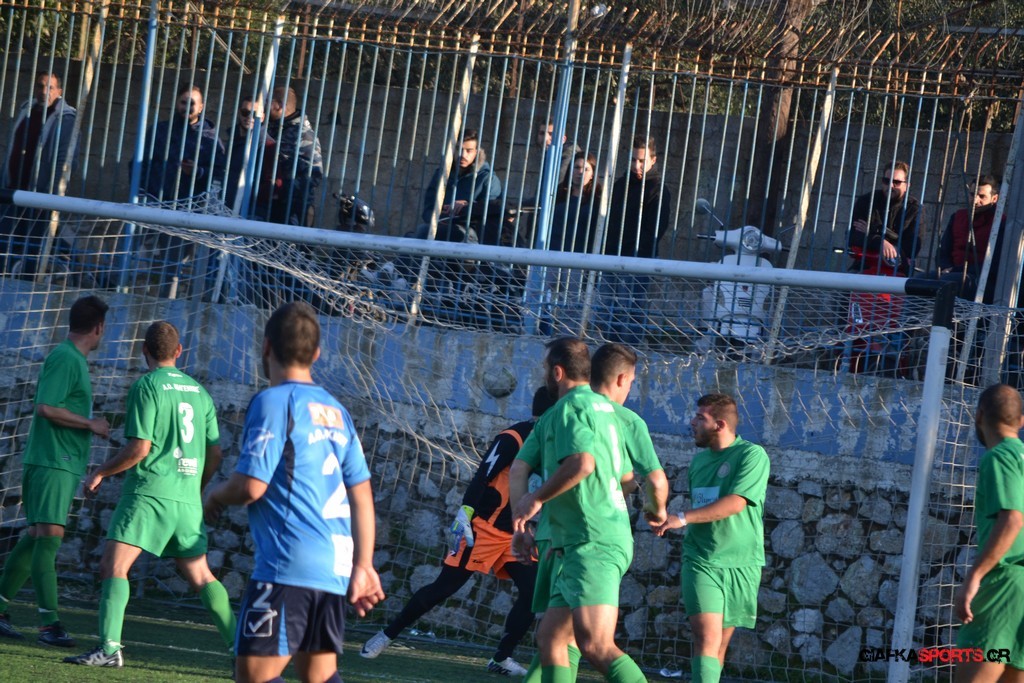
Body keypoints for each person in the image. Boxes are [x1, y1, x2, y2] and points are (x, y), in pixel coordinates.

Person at [203, 302, 384, 683]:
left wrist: (215, 495)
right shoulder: (337, 411)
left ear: (266, 346)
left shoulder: (273, 401)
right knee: (319, 676)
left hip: (289, 564)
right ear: (316, 354)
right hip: (334, 567)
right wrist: (364, 564)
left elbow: (250, 486)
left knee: (253, 677)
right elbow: (362, 495)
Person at [63, 321, 236, 668]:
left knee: (113, 567)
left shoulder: (147, 385)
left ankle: (110, 648)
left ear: (144, 350)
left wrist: (100, 472)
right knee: (202, 576)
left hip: (149, 494)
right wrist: (196, 489)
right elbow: (215, 453)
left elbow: (140, 448)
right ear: (179, 352)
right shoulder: (199, 392)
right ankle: (241, 650)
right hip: (186, 499)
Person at [359, 386, 556, 676]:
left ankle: (501, 658)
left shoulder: (552, 442)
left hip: (514, 532)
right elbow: (483, 475)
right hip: (483, 528)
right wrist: (466, 511)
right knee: (444, 588)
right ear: (551, 411)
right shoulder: (513, 437)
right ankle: (386, 635)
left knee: (533, 590)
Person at [511, 341, 667, 682]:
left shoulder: (570, 408)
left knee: (595, 644)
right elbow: (626, 478)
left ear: (557, 372)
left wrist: (535, 500)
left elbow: (582, 463)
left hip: (591, 540)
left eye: (544, 369)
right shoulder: (613, 414)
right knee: (552, 639)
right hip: (578, 538)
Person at [0, 295, 110, 647]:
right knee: (48, 537)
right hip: (52, 461)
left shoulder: (71, 358)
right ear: (98, 328)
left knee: (37, 536)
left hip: (57, 461)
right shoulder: (65, 358)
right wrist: (90, 424)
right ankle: (50, 624)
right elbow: (46, 407)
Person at [654, 393, 770, 683]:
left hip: (742, 563)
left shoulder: (752, 455)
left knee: (718, 646)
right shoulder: (699, 462)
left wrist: (683, 517)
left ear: (719, 425)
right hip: (701, 559)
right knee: (706, 637)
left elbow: (735, 503)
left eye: (700, 418)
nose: (692, 422)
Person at [953, 384, 1024, 683]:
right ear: (1021, 421)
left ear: (979, 415)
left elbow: (1012, 519)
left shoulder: (999, 457)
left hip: (1003, 587)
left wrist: (975, 576)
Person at [845, 161, 922, 374]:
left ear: (907, 184)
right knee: (844, 302)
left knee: (899, 319)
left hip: (898, 274)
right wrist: (880, 242)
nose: (891, 186)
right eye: (886, 181)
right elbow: (854, 237)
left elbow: (911, 247)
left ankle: (896, 366)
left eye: (896, 182)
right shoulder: (867, 201)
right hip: (864, 267)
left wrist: (875, 231)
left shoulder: (914, 208)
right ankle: (845, 357)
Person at [1, 71, 78, 276]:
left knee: (36, 243)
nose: (44, 91)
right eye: (40, 86)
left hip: (41, 194)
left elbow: (65, 160)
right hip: (14, 189)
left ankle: (33, 277)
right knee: (9, 239)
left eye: (50, 87)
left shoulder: (66, 119)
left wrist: (54, 192)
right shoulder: (26, 110)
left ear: (59, 91)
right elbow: (12, 147)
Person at [600, 135, 672, 345]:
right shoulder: (620, 184)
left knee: (631, 312)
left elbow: (656, 229)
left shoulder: (658, 189)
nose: (636, 165)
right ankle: (608, 352)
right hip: (612, 256)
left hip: (638, 259)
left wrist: (636, 253)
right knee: (607, 311)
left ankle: (628, 354)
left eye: (641, 160)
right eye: (633, 160)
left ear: (653, 160)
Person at [543, 152, 602, 335]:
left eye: (586, 169)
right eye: (577, 167)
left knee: (572, 305)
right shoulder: (558, 193)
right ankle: (535, 332)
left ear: (593, 173)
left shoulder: (597, 200)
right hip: (551, 255)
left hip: (579, 259)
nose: (580, 172)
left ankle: (568, 340)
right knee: (538, 298)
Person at [138, 85, 226, 202]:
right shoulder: (159, 130)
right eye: (183, 102)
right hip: (153, 201)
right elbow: (140, 162)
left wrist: (198, 171)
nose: (187, 107)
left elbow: (220, 173)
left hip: (190, 206)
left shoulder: (210, 139)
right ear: (177, 103)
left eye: (192, 103)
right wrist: (140, 192)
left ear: (201, 107)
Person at [415, 128, 503, 243]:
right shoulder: (442, 174)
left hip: (473, 232)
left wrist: (467, 206)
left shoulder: (487, 178)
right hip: (442, 225)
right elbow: (428, 208)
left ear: (477, 152)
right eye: (458, 149)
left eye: (468, 150)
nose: (462, 155)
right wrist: (440, 218)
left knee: (426, 232)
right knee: (417, 234)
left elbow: (493, 211)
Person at [937, 174, 1007, 303]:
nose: (975, 200)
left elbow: (995, 264)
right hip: (950, 273)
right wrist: (946, 267)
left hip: (981, 280)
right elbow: (943, 250)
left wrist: (955, 271)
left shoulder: (1001, 223)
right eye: (972, 194)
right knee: (919, 281)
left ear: (994, 198)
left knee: (947, 283)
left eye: (982, 196)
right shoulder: (957, 217)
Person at [265, 86, 323, 227]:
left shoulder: (303, 134)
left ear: (279, 106)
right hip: (269, 206)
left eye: (268, 102)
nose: (264, 106)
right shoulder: (273, 128)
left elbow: (313, 175)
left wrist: (280, 187)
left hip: (293, 210)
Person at [224, 95, 276, 219]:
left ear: (262, 117)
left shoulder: (267, 145)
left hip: (251, 213)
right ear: (239, 113)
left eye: (254, 114)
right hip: (227, 208)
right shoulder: (233, 139)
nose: (249, 117)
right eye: (245, 112)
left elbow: (270, 184)